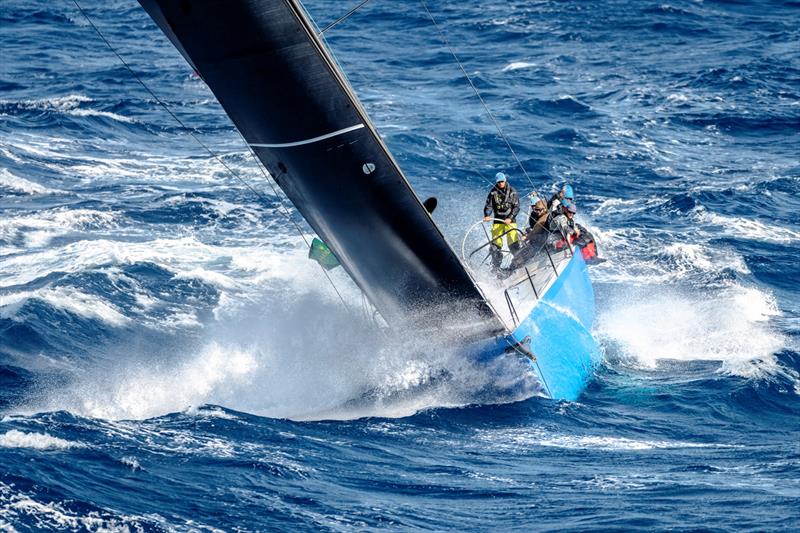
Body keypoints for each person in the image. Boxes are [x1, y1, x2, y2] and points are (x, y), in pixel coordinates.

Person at [483, 172, 520, 268]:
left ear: (505, 180)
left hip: (510, 221)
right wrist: (487, 215)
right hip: (498, 220)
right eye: (499, 182)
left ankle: (519, 264)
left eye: (502, 181)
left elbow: (516, 207)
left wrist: (510, 217)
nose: (500, 183)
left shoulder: (513, 191)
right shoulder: (492, 192)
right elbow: (489, 205)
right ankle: (496, 267)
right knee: (495, 246)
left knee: (513, 243)